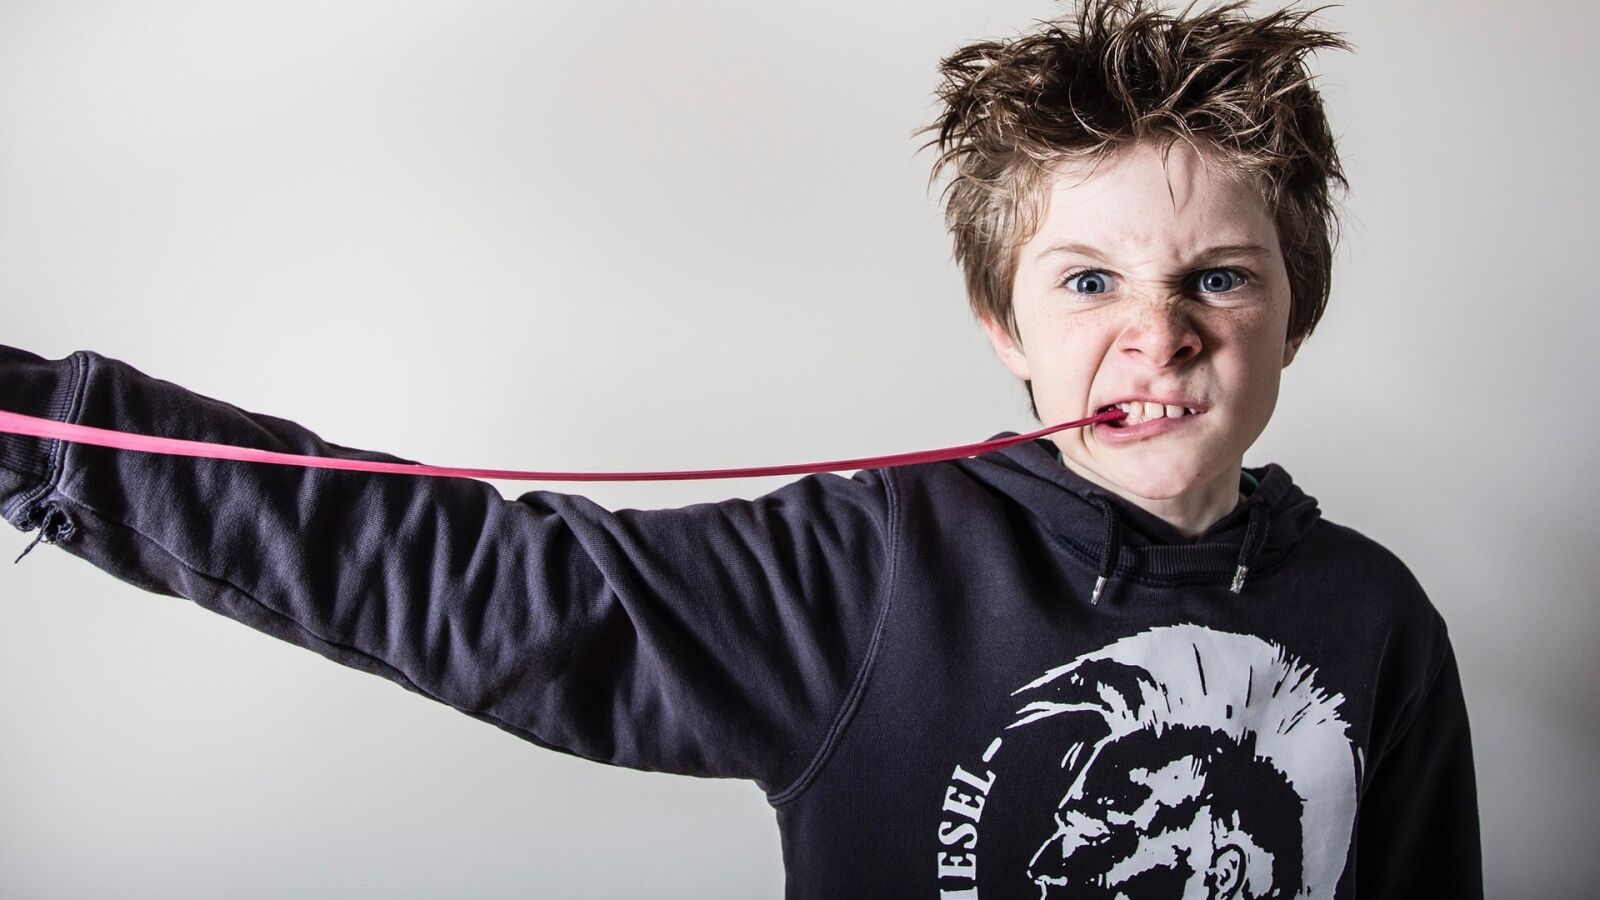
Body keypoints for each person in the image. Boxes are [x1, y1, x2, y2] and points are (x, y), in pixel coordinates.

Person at [0, 0, 1481, 896]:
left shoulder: (1378, 620)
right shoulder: (871, 572)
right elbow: (464, 581)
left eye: (1218, 278)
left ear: (1296, 314)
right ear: (1002, 322)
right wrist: (50, 430)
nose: (1158, 335)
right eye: (1090, 281)